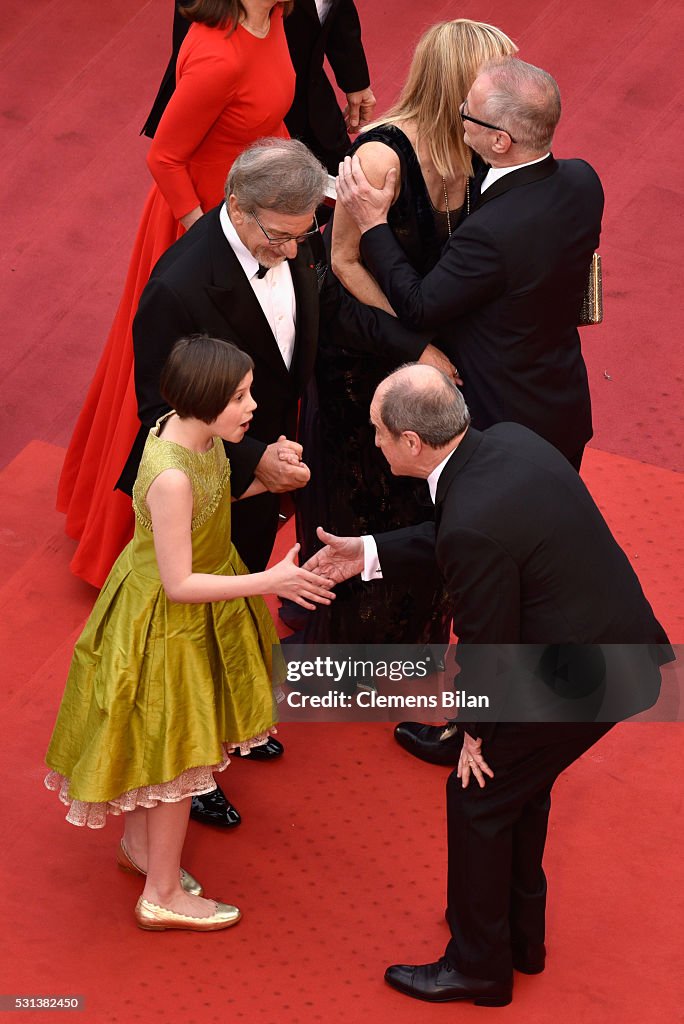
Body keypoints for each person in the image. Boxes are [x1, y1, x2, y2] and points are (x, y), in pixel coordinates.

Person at [305, 364, 671, 1004]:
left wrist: (473, 731)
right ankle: (516, 940)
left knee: (478, 796)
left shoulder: (473, 514)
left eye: (379, 434)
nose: (375, 444)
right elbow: (465, 536)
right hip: (613, 652)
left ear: (413, 443)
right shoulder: (507, 443)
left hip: (579, 675)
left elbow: (487, 642)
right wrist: (365, 551)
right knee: (517, 790)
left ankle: (478, 966)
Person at [117, 137, 432, 824]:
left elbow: (314, 329)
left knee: (234, 610)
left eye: (300, 236)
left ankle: (229, 722)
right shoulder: (178, 286)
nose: (293, 251)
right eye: (278, 237)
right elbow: (158, 412)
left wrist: (415, 354)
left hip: (263, 479)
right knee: (188, 631)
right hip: (203, 490)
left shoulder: (293, 237)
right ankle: (188, 771)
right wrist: (252, 456)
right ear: (235, 203)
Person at [45, 336, 335, 933]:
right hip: (169, 622)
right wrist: (269, 580)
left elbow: (214, 495)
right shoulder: (172, 476)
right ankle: (163, 893)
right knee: (178, 752)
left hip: (174, 601)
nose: (252, 407)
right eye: (240, 397)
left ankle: (140, 850)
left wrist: (268, 480)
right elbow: (179, 583)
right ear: (204, 401)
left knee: (148, 738)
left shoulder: (186, 431)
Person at [57, 0, 296, 589]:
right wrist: (209, 240)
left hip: (255, 207)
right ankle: (132, 535)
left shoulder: (274, 19)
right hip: (208, 216)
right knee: (181, 377)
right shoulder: (217, 57)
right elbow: (164, 156)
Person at [297, 19, 518, 647]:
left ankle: (410, 631)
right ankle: (351, 645)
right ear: (456, 83)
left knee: (425, 502)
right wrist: (415, 341)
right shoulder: (379, 155)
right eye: (493, 77)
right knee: (365, 497)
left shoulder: (480, 146)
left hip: (433, 351)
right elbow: (341, 265)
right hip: (362, 355)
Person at [336, 57, 604, 470]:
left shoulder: (491, 233)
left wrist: (374, 224)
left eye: (467, 111)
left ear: (500, 142)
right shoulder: (584, 180)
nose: (458, 111)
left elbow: (418, 304)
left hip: (502, 426)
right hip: (562, 406)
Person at [141, 0, 376, 174]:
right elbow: (204, 38)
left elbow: (332, 7)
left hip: (303, 94)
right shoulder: (218, 56)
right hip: (242, 123)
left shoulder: (277, 13)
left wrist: (355, 78)